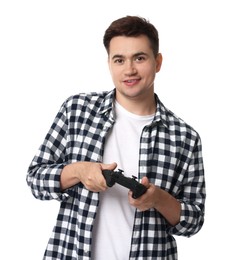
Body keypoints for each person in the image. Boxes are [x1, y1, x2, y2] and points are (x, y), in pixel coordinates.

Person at [26, 15, 206, 260]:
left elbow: (194, 221)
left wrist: (159, 199)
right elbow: (35, 179)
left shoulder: (185, 137)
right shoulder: (77, 110)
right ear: (109, 63)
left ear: (158, 62)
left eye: (139, 58)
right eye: (119, 60)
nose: (129, 70)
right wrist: (78, 171)